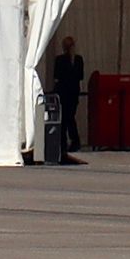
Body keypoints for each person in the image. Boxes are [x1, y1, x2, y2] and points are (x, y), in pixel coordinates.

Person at [42, 36, 86, 164]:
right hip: (73, 92)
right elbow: (80, 76)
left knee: (62, 118)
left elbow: (56, 77)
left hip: (63, 92)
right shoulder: (78, 60)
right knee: (70, 117)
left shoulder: (60, 60)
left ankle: (63, 142)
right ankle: (74, 141)